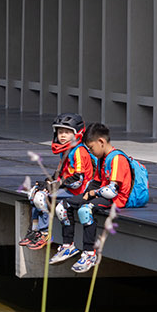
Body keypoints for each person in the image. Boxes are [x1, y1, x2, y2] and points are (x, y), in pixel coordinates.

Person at [20, 114, 96, 263]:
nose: (62, 135)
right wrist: (48, 183)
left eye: (67, 132)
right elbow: (61, 174)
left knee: (42, 198)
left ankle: (45, 233)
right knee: (34, 193)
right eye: (60, 132)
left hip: (79, 191)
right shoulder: (66, 150)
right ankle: (35, 230)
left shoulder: (79, 151)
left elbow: (78, 179)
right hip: (68, 187)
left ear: (77, 133)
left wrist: (56, 186)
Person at [71, 123, 136, 274]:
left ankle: (89, 253)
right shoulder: (103, 158)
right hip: (104, 195)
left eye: (91, 148)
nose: (91, 152)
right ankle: (67, 246)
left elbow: (112, 191)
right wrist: (84, 195)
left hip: (118, 199)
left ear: (101, 142)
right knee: (66, 204)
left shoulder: (117, 158)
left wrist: (92, 194)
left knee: (85, 210)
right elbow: (96, 182)